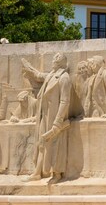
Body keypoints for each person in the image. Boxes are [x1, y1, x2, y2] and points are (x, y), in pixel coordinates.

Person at [23, 53, 72, 183]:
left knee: (57, 145)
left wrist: (58, 121)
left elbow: (65, 101)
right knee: (41, 143)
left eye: (56, 58)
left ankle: (57, 174)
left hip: (55, 117)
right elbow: (39, 76)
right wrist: (29, 68)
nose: (53, 60)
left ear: (61, 62)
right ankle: (37, 172)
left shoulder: (64, 77)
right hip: (44, 115)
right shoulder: (51, 75)